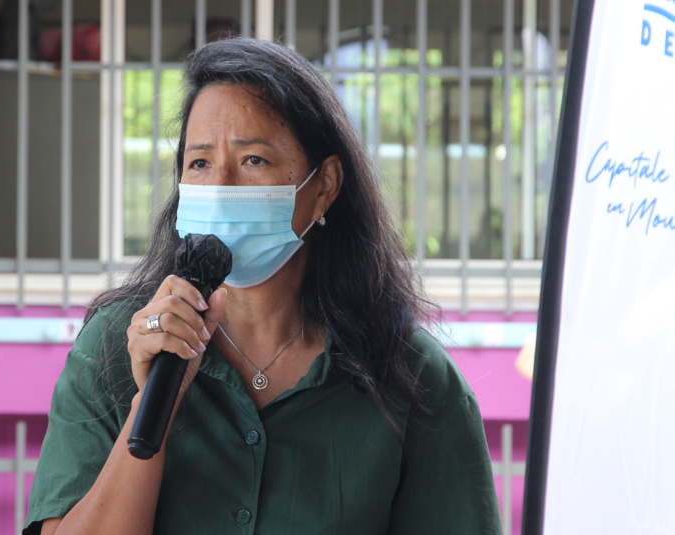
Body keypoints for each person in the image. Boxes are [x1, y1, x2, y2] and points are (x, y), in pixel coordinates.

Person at [24, 38, 502, 535]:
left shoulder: (410, 374)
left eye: (254, 160)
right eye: (200, 163)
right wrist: (151, 408)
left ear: (324, 187)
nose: (222, 186)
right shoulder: (115, 346)